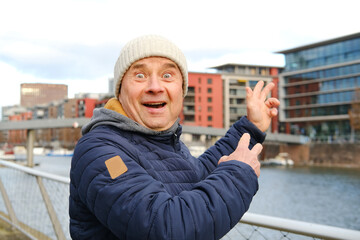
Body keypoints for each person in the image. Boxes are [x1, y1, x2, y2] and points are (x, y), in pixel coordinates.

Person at [69, 34, 280, 240]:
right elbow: (164, 227)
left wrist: (252, 127)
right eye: (140, 75)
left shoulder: (164, 141)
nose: (155, 86)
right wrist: (239, 175)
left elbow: (200, 174)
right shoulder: (100, 151)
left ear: (181, 90)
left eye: (167, 75)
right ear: (120, 91)